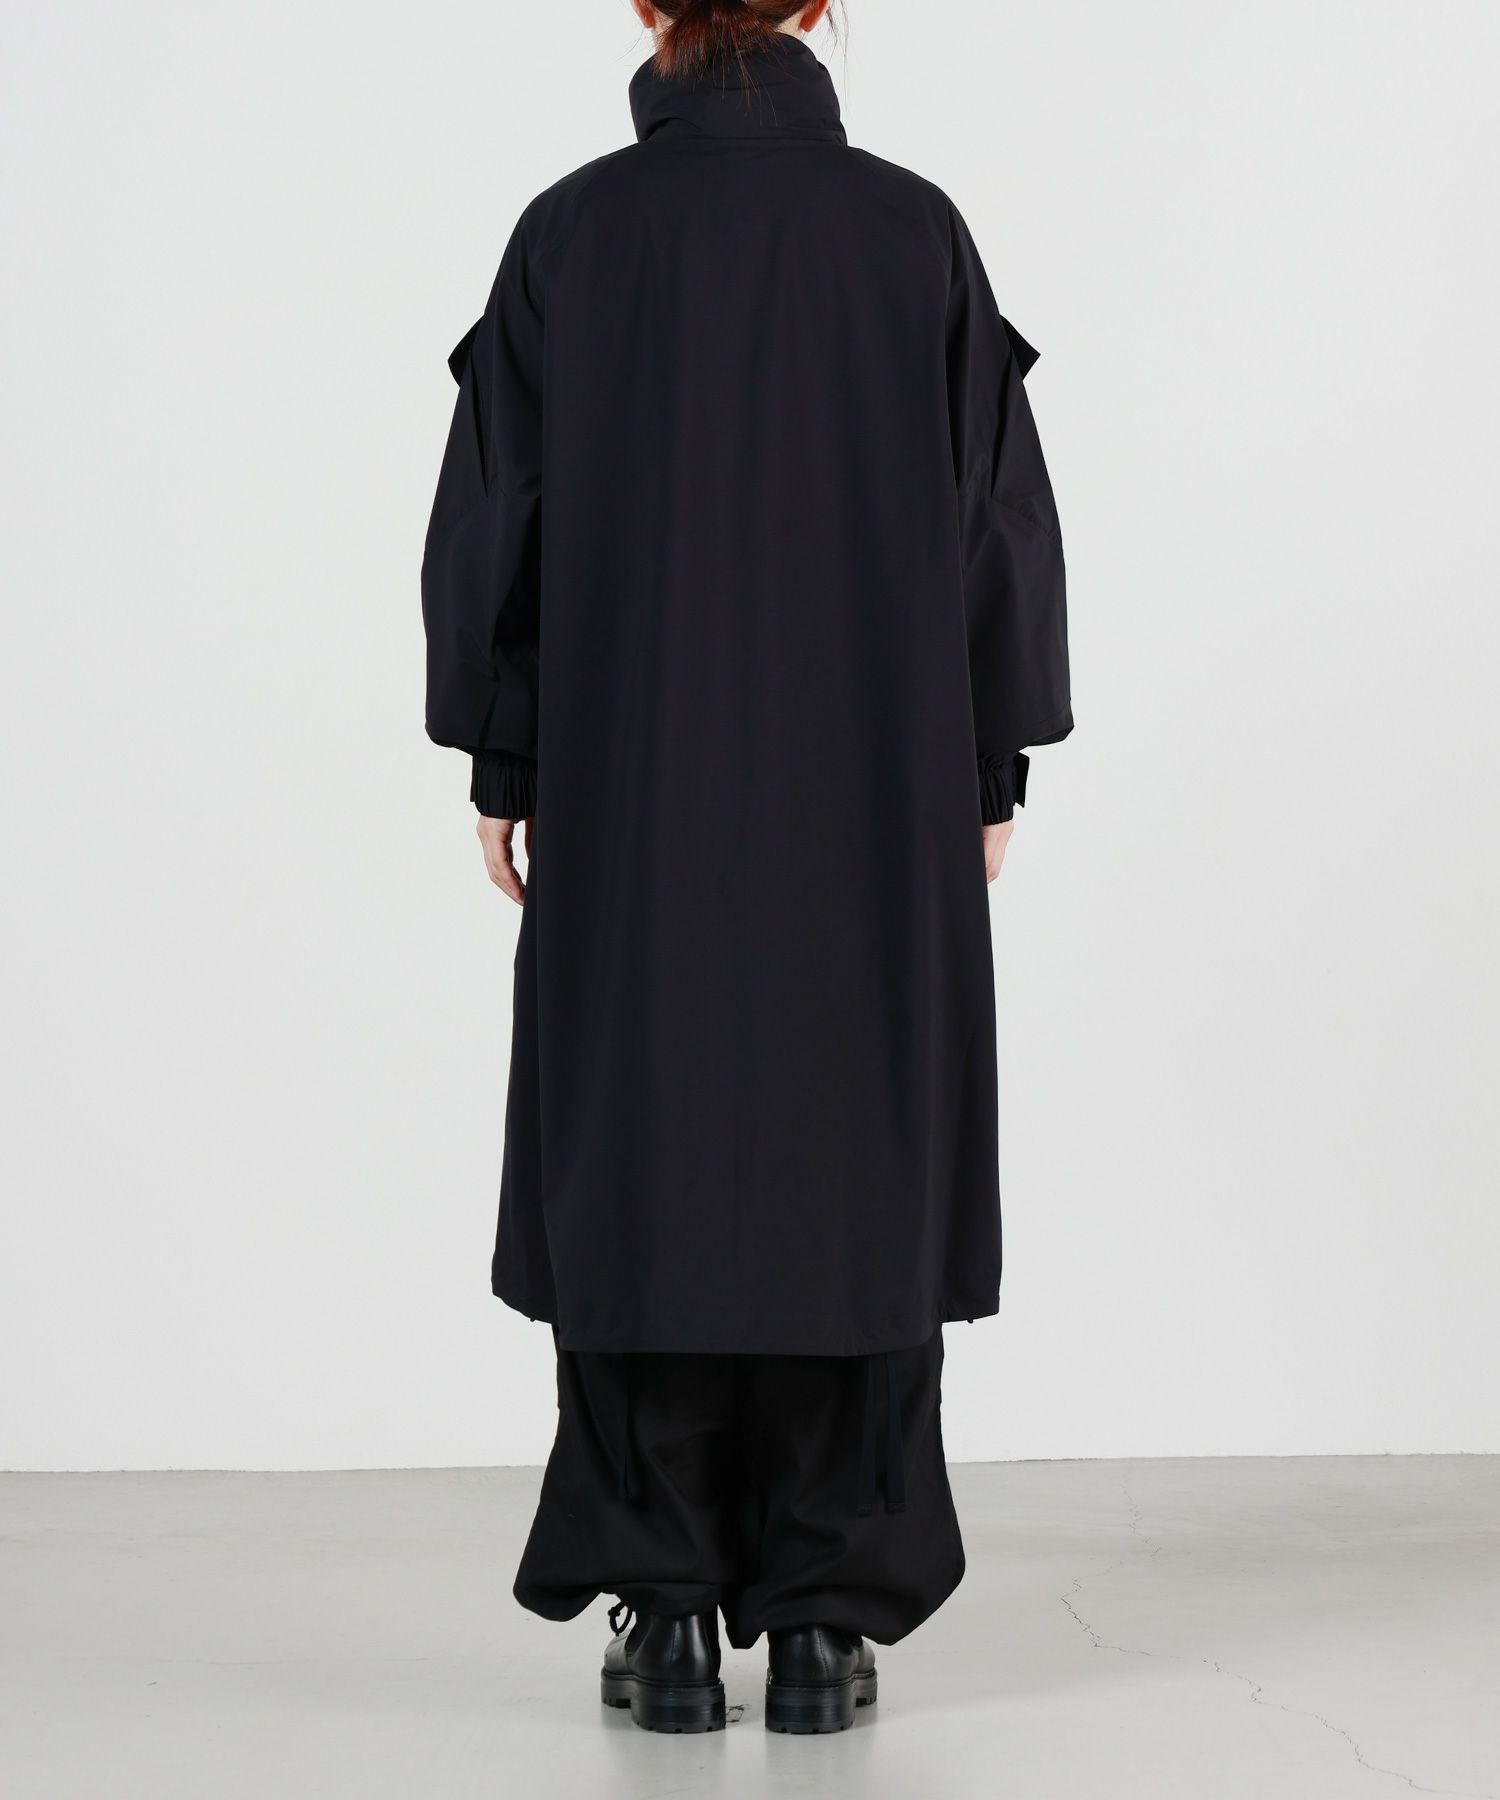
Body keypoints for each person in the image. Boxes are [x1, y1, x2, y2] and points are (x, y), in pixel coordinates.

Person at [421, 0, 1071, 1736]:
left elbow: (500, 515)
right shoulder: (910, 233)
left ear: (647, 8)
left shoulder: (573, 237)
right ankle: (826, 1623)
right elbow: (993, 510)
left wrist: (505, 753)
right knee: (855, 1153)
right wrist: (989, 758)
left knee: (646, 1148)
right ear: (815, 5)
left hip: (630, 786)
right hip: (877, 787)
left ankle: (665, 1609)